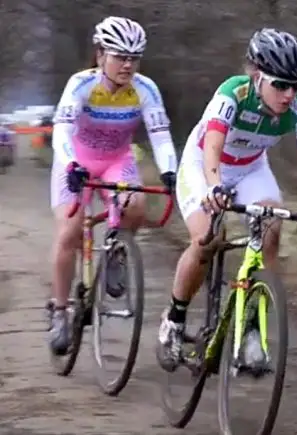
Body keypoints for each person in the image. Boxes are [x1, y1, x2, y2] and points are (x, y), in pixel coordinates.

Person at [156, 28, 297, 374]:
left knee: (271, 227)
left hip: (250, 169)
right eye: (280, 85)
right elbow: (212, 146)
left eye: (296, 86)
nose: (289, 95)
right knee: (206, 240)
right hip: (204, 165)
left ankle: (251, 332)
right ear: (257, 76)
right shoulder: (233, 93)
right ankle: (175, 317)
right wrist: (214, 188)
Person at [48, 16, 178, 355]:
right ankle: (60, 310)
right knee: (70, 231)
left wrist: (169, 172)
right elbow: (61, 131)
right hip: (77, 159)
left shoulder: (145, 89)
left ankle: (117, 253)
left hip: (117, 161)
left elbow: (160, 135)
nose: (127, 64)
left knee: (135, 205)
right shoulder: (81, 84)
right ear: (101, 54)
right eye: (120, 56)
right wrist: (72, 165)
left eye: (134, 57)